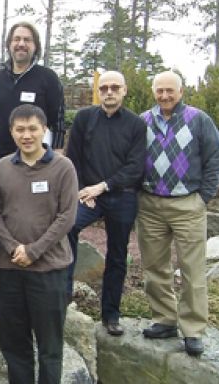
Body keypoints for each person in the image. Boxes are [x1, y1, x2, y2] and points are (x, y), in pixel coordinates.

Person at [137, 70, 219, 357]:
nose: (164, 96)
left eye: (170, 91)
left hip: (188, 203)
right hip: (150, 204)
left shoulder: (199, 120)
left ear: (181, 91)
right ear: (153, 92)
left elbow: (214, 159)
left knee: (192, 269)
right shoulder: (143, 121)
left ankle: (193, 329)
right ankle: (164, 319)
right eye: (159, 91)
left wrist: (204, 198)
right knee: (154, 266)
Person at [0, 104, 78, 384]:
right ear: (11, 132)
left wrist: (34, 251)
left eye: (32, 129)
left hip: (49, 271)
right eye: (20, 129)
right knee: (14, 345)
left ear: (44, 130)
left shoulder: (63, 167)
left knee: (50, 347)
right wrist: (12, 247)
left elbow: (67, 216)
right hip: (11, 270)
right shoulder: (2, 167)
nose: (26, 135)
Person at [65, 70, 147, 336]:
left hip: (121, 195)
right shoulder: (84, 118)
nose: (109, 92)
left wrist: (103, 187)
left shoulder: (136, 125)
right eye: (104, 88)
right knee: (68, 228)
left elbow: (135, 167)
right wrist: (79, 191)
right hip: (87, 195)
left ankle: (110, 315)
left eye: (115, 87)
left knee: (117, 254)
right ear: (98, 91)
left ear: (124, 91)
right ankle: (62, 298)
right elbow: (72, 159)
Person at [0, 21, 65, 164]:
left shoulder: (48, 78)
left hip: (40, 160)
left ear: (35, 46)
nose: (21, 44)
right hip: (3, 160)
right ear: (9, 44)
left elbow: (58, 121)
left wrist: (57, 155)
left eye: (27, 40)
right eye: (16, 39)